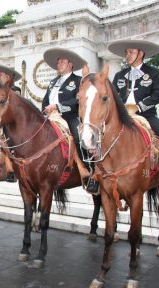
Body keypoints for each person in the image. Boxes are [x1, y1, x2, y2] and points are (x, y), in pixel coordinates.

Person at [108, 39, 159, 194]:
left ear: (141, 54)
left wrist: (139, 106)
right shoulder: (119, 75)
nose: (127, 55)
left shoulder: (154, 73)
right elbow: (112, 96)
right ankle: (96, 176)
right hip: (122, 116)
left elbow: (158, 95)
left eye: (131, 52)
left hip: (145, 115)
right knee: (101, 136)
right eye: (126, 52)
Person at [41, 48, 98, 193]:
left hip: (68, 116)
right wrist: (45, 110)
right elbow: (45, 100)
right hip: (49, 117)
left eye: (62, 61)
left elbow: (78, 101)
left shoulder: (78, 81)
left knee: (80, 138)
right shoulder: (53, 82)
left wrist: (58, 107)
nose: (59, 64)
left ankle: (89, 171)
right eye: (58, 61)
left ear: (71, 64)